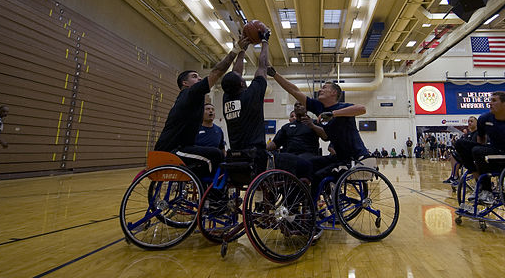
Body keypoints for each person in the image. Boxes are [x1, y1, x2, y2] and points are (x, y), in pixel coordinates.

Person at [221, 33, 311, 181]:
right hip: (257, 157)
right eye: (242, 79)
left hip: (236, 156)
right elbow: (263, 66)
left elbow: (236, 72)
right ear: (242, 84)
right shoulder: (252, 95)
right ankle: (300, 199)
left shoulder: (227, 99)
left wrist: (242, 50)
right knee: (305, 165)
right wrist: (264, 41)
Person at [267, 68, 369, 197]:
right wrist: (274, 75)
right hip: (339, 157)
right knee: (307, 165)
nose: (320, 90)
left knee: (317, 176)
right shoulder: (319, 107)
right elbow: (294, 90)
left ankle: (313, 209)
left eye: (324, 88)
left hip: (354, 158)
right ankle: (297, 200)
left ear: (333, 92)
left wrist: (333, 114)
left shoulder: (342, 107)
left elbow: (362, 109)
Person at [155, 40, 249, 177]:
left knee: (212, 153)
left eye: (199, 76)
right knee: (215, 155)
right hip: (172, 150)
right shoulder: (190, 93)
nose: (199, 79)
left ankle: (205, 189)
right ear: (185, 83)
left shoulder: (187, 98)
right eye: (195, 77)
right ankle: (214, 195)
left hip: (177, 148)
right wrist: (236, 50)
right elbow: (217, 72)